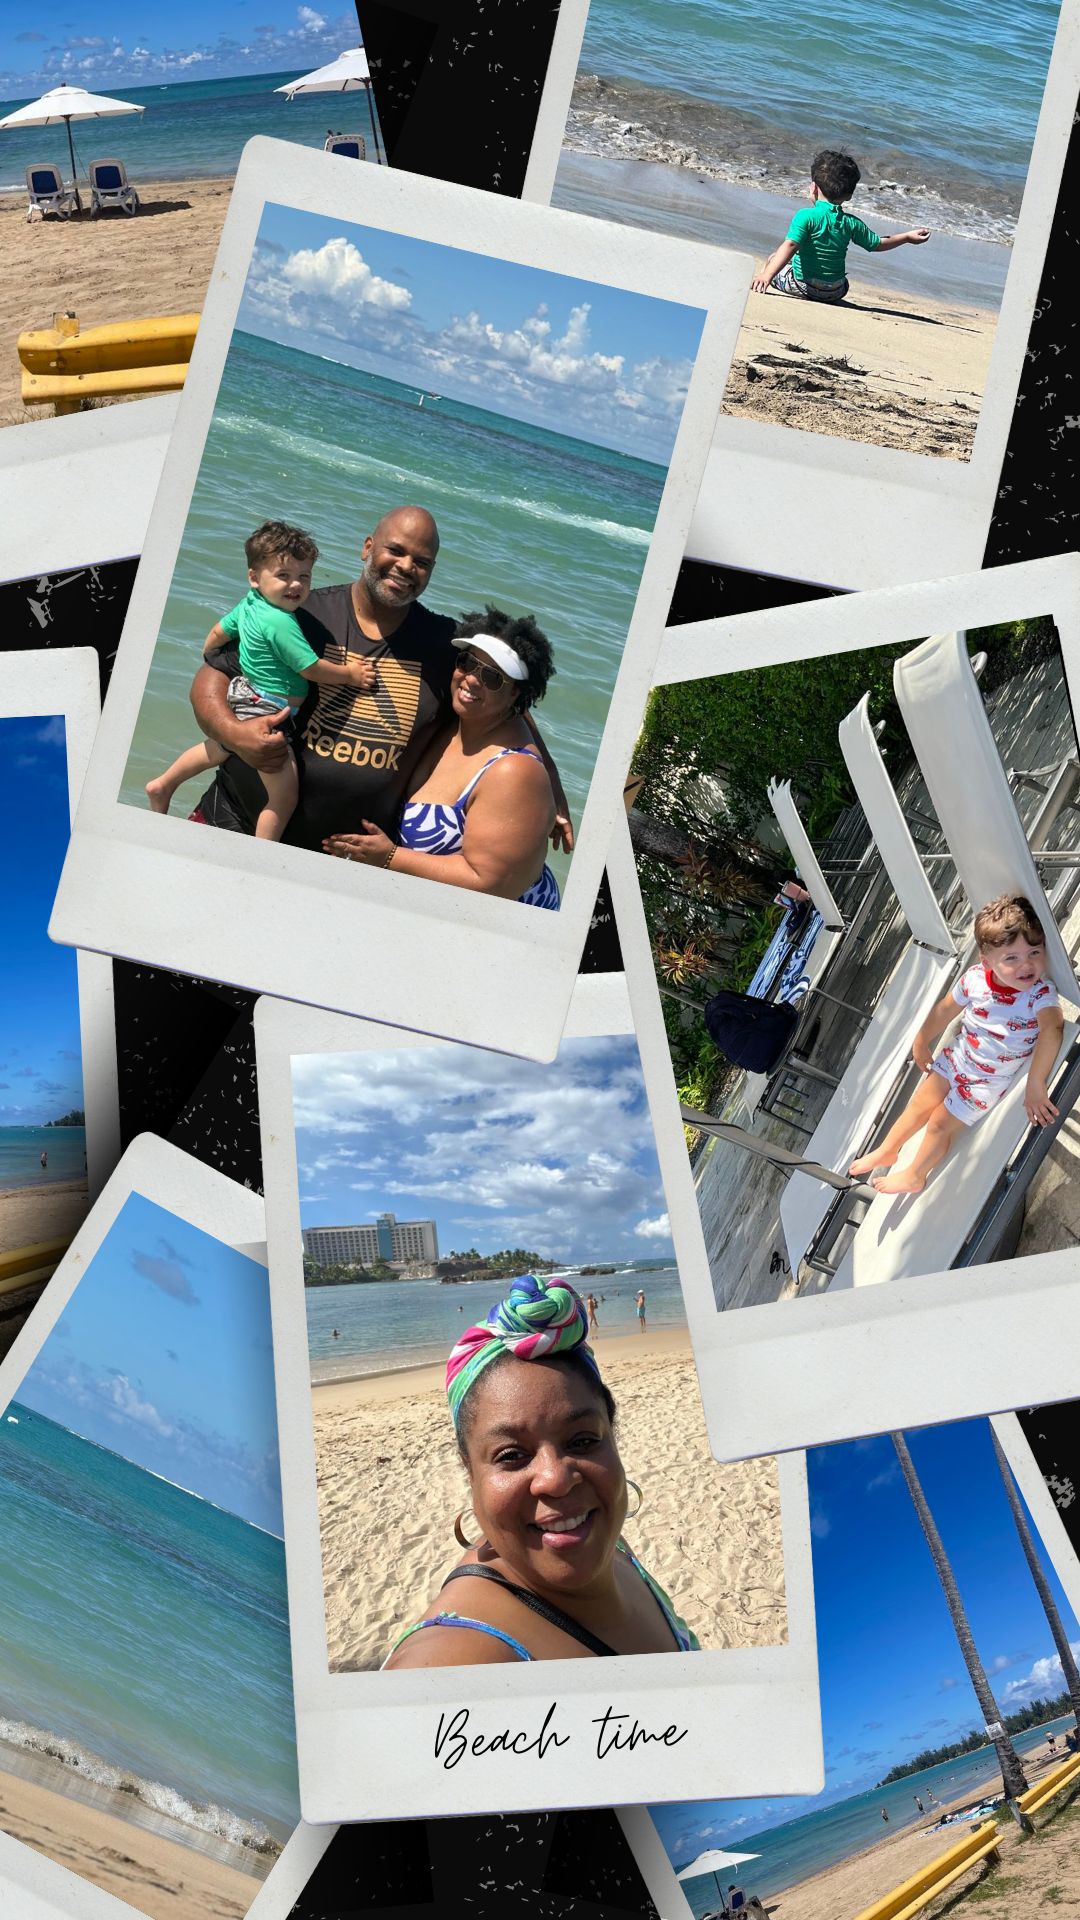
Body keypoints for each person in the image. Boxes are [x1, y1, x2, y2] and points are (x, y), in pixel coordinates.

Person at [187, 506, 573, 860]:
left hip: (348, 864)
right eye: (396, 550)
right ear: (368, 548)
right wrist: (234, 734)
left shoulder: (443, 643)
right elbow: (212, 676)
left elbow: (506, 703)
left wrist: (552, 788)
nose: (406, 567)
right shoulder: (298, 613)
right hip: (233, 821)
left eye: (422, 562)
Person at [382, 1275, 700, 1667]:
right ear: (470, 1471)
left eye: (582, 1441)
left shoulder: (607, 1544)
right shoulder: (455, 1658)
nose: (555, 1479)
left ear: (613, 1438)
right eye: (512, 1455)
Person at [148, 522, 376, 839]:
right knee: (283, 798)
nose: (296, 585)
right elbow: (310, 668)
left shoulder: (249, 604)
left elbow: (218, 633)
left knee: (219, 749)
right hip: (270, 707)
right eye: (284, 576)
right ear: (254, 577)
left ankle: (164, 784)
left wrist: (208, 655)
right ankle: (261, 855)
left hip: (244, 694)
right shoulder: (282, 621)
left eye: (304, 576)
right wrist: (350, 674)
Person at [322, 608, 561, 906]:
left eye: (492, 677)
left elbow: (493, 885)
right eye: (467, 662)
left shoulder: (513, 772)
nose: (473, 679)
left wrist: (390, 858)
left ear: (515, 694)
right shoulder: (456, 724)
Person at [849, 895, 1064, 1195]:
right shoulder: (975, 979)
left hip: (985, 1081)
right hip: (959, 1058)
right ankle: (888, 1149)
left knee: (939, 1123)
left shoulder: (1039, 993)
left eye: (1034, 952)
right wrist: (922, 1040)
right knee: (921, 1101)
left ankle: (915, 1174)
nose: (1026, 965)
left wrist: (1035, 1084)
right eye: (1011, 958)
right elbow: (944, 1010)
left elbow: (1052, 1029)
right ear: (987, 961)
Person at [751, 149, 930, 304]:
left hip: (802, 286)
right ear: (849, 195)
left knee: (773, 258)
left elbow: (790, 245)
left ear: (813, 187)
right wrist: (907, 237)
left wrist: (767, 275)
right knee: (839, 278)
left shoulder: (805, 216)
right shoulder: (851, 222)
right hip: (836, 291)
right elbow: (877, 244)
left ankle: (767, 277)